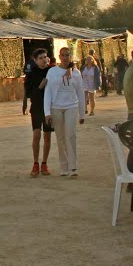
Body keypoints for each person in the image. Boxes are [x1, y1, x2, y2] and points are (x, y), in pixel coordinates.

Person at [44, 46, 86, 178]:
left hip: (71, 106)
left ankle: (73, 167)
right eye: (63, 55)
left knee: (71, 135)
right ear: (59, 56)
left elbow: (80, 93)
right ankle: (64, 167)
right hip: (56, 107)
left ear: (70, 56)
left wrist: (82, 113)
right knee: (60, 137)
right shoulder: (52, 72)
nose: (65, 57)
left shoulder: (76, 73)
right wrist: (47, 112)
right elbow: (48, 92)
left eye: (68, 55)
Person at [22, 47, 53, 177]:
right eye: (40, 58)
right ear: (35, 60)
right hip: (36, 109)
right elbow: (29, 94)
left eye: (45, 57)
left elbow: (68, 65)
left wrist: (69, 69)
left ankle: (44, 163)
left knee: (47, 137)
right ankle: (35, 163)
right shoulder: (31, 74)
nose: (44, 60)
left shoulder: (52, 71)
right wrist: (40, 87)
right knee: (36, 136)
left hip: (49, 110)